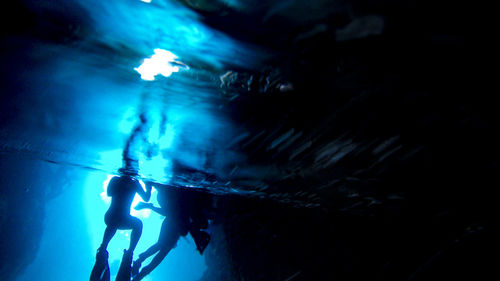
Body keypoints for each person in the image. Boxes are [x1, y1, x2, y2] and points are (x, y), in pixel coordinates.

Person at [130, 186, 210, 281]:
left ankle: (140, 266)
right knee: (162, 248)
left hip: (174, 223)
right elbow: (169, 213)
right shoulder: (186, 205)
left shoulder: (186, 206)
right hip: (173, 223)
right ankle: (140, 267)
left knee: (162, 248)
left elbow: (170, 213)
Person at [90, 166, 152, 281]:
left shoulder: (131, 183)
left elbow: (146, 197)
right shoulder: (120, 181)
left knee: (136, 224)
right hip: (113, 216)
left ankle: (126, 251)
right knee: (118, 224)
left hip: (118, 217)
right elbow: (109, 193)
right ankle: (107, 247)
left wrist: (148, 185)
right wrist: (146, 185)